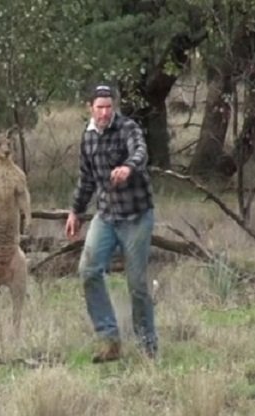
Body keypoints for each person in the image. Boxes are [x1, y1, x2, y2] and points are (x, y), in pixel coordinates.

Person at [65, 83, 157, 363]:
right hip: (105, 215)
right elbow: (86, 179)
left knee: (137, 284)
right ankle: (109, 340)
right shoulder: (88, 137)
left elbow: (140, 151)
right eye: (99, 107)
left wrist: (129, 167)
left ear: (114, 107)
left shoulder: (128, 128)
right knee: (89, 270)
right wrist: (75, 211)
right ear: (90, 108)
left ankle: (147, 347)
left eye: (108, 107)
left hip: (136, 216)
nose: (104, 113)